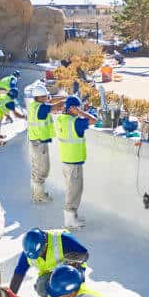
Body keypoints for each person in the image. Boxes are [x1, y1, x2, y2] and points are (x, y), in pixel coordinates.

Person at [3, 227, 89, 297]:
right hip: (52, 274)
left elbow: (85, 254)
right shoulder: (29, 252)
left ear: (45, 244)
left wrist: (74, 258)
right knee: (41, 287)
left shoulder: (62, 239)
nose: (38, 257)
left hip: (72, 272)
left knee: (68, 291)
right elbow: (18, 275)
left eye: (39, 253)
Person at [55, 95, 97, 229]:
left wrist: (76, 112)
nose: (80, 109)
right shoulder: (75, 122)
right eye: (77, 107)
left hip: (66, 161)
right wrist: (80, 113)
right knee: (75, 191)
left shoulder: (62, 119)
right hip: (74, 163)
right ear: (72, 108)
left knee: (70, 190)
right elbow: (93, 120)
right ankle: (70, 221)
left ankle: (72, 217)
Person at [26, 81, 64, 203]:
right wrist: (67, 101)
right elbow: (55, 107)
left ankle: (36, 194)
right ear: (40, 97)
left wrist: (59, 99)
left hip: (34, 142)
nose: (47, 97)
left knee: (36, 170)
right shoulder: (41, 108)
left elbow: (50, 104)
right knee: (42, 170)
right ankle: (39, 197)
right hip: (39, 144)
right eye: (45, 96)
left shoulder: (34, 105)